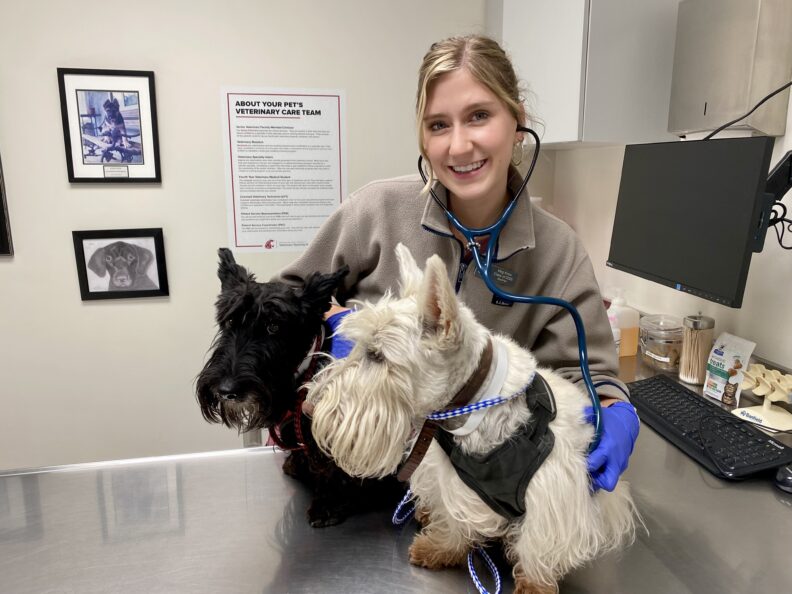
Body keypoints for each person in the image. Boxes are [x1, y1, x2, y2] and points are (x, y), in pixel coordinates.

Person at [280, 35, 639, 492]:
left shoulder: (558, 251)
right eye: (438, 125)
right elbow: (283, 300)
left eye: (479, 116)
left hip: (474, 495)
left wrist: (616, 412)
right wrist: (336, 327)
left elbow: (590, 377)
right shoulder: (375, 211)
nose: (459, 146)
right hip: (350, 479)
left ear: (518, 121)